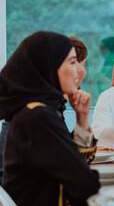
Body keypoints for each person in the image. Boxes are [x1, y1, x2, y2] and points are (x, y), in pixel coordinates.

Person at [0, 31, 100, 205]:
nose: (79, 70)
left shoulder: (43, 110)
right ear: (49, 66)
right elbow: (86, 184)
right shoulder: (37, 116)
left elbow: (79, 162)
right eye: (72, 62)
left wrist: (82, 117)